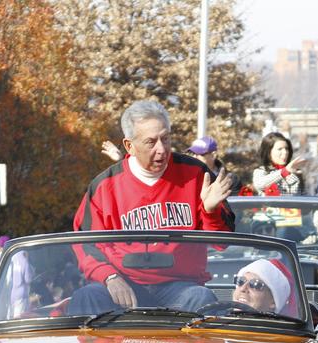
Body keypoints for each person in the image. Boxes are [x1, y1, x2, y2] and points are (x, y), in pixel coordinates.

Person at [69, 100, 233, 315]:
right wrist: (109, 277)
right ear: (129, 146)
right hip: (123, 284)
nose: (161, 149)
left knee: (202, 298)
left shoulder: (196, 175)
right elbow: (85, 243)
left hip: (181, 286)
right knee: (86, 296)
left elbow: (222, 243)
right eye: (150, 142)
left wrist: (210, 212)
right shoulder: (104, 186)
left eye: (166, 139)